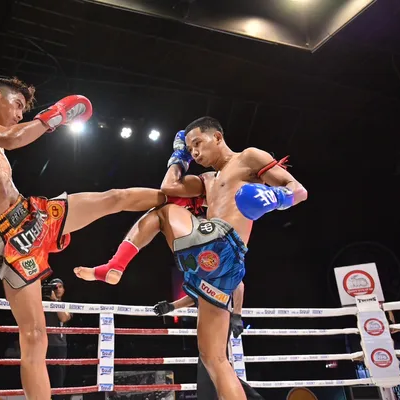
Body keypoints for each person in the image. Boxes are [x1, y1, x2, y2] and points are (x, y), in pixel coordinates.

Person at [0, 77, 166, 400]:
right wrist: (55, 116)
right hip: (10, 240)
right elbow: (13, 138)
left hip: (33, 215)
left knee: (113, 198)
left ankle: (179, 197)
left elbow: (9, 147)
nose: (19, 114)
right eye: (17, 105)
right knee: (35, 336)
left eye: (23, 110)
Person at [76, 116, 307, 399]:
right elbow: (168, 187)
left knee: (161, 213)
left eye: (198, 143)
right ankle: (115, 266)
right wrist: (179, 157)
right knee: (214, 358)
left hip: (225, 245)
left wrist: (274, 198)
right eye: (190, 149)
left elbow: (299, 190)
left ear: (218, 137)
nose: (195, 152)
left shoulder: (248, 157)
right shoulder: (207, 180)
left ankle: (116, 264)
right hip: (216, 270)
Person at [154, 285, 264, 400]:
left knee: (214, 366)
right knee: (212, 368)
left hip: (218, 318)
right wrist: (171, 306)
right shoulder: (201, 279)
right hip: (207, 320)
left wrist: (237, 315)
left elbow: (238, 284)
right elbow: (198, 295)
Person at [43, 278, 71, 397]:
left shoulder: (66, 305)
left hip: (59, 346)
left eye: (60, 287)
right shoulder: (43, 304)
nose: (57, 289)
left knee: (58, 381)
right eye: (55, 287)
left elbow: (64, 318)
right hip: (44, 345)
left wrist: (56, 301)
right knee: (43, 379)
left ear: (63, 289)